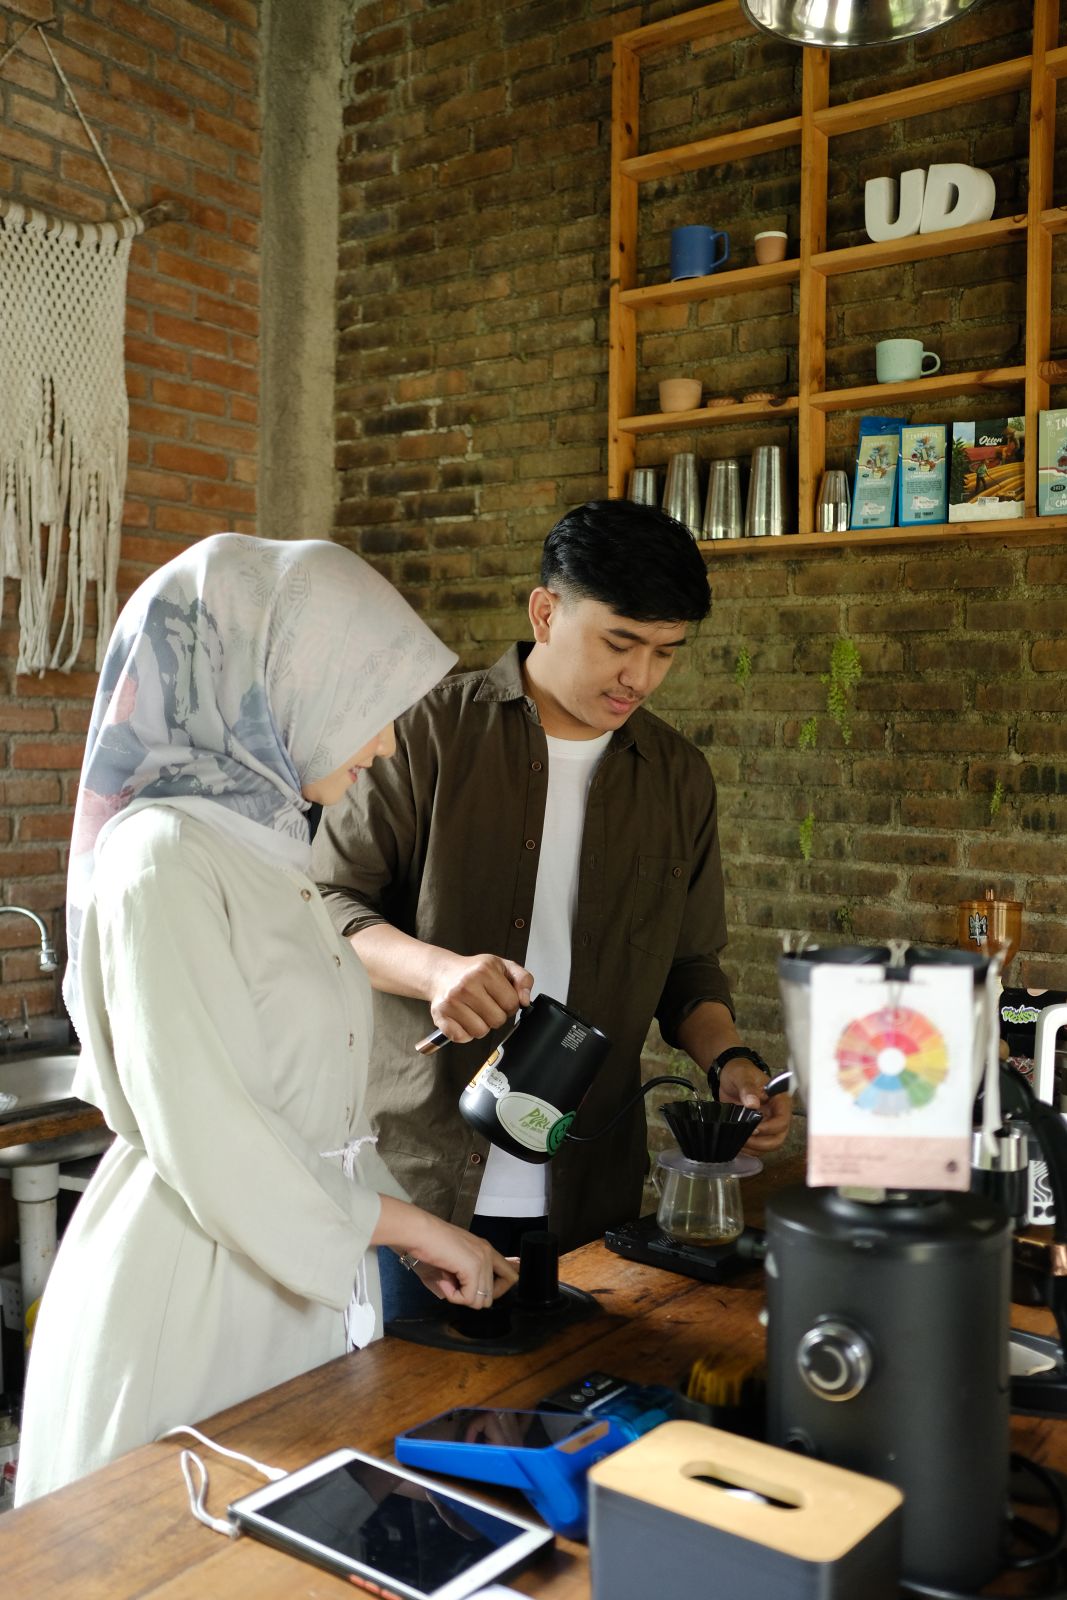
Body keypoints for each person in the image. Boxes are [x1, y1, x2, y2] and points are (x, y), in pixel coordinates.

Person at [15, 534, 515, 1505]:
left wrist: (397, 1232)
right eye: (362, 701)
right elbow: (212, 1131)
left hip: (294, 1289)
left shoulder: (275, 856)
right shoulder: (160, 858)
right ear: (264, 676)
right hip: (192, 1302)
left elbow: (315, 1118)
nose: (383, 744)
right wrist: (412, 1226)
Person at [312, 501, 792, 1312]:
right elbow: (324, 905)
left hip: (589, 1196)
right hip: (418, 1184)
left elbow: (688, 966)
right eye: (618, 643)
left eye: (664, 653)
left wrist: (729, 1063)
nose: (640, 677)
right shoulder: (425, 732)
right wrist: (436, 972)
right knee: (398, 1394)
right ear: (545, 612)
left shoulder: (677, 777)